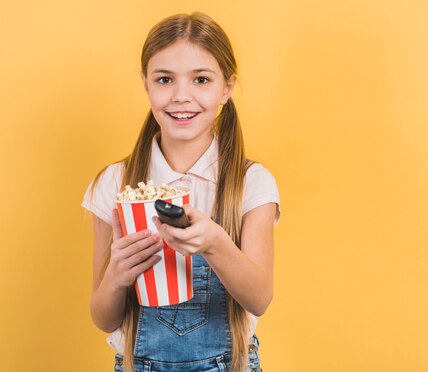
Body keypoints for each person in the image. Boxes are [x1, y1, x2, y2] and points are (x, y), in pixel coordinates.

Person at [81, 12, 281, 372]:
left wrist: (215, 243)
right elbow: (103, 318)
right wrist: (116, 276)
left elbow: (260, 297)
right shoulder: (114, 183)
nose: (181, 96)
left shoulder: (252, 182)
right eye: (164, 79)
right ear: (146, 84)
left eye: (201, 79)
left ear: (226, 87)